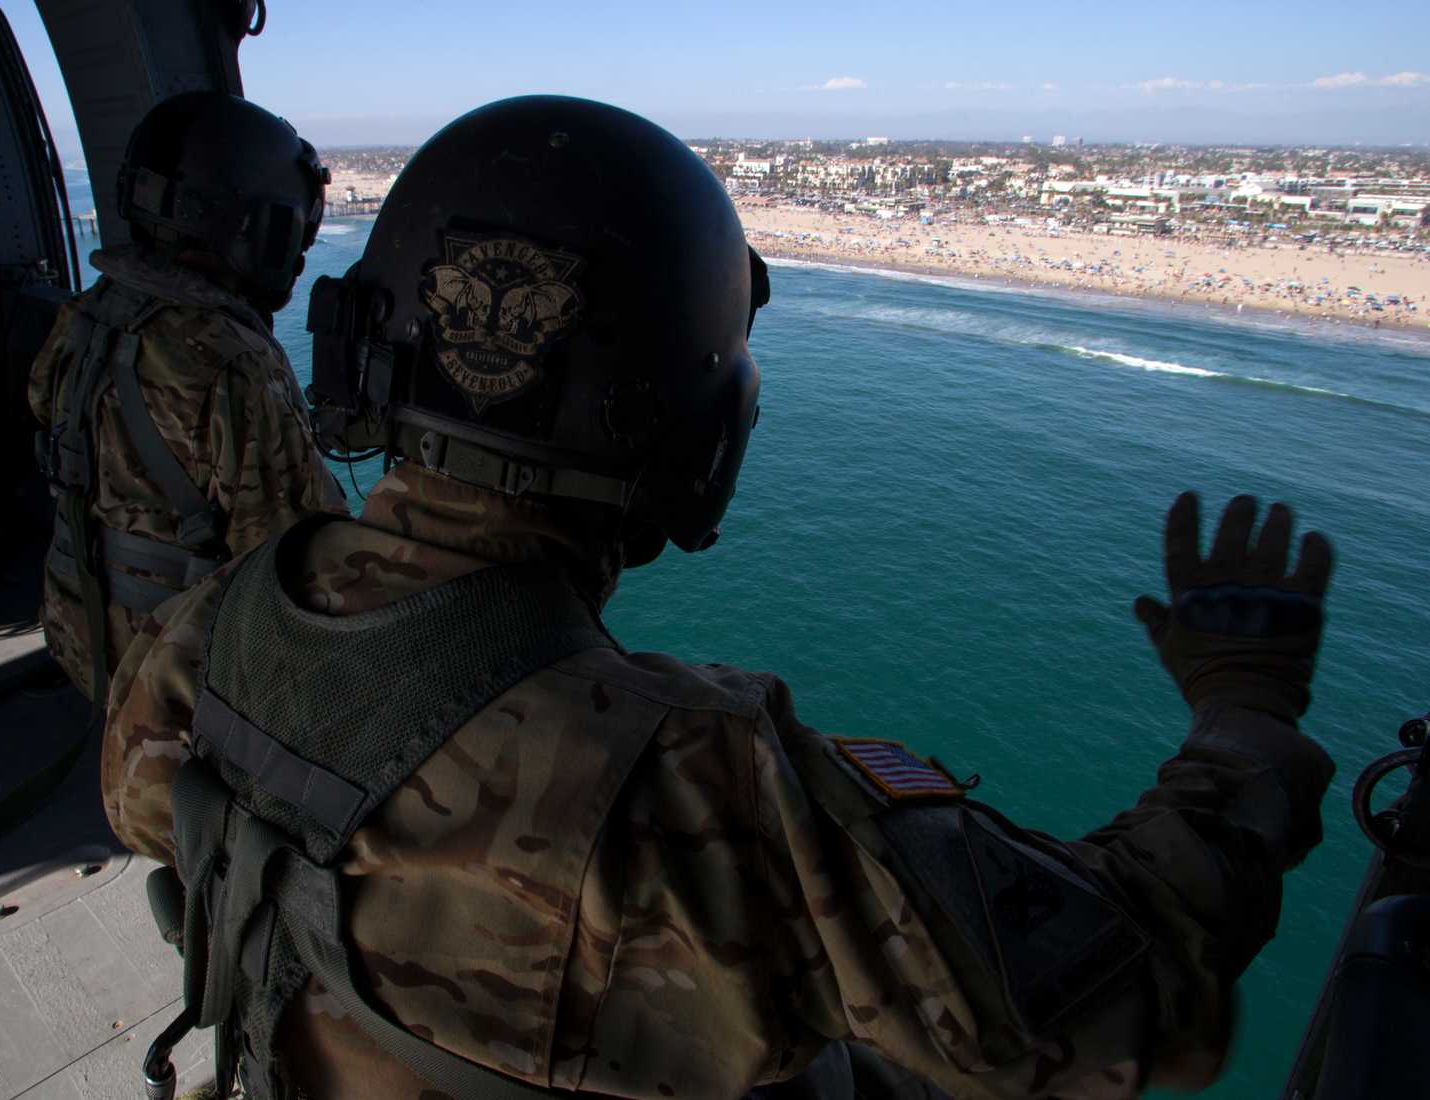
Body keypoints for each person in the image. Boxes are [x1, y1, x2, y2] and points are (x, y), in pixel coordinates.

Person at [102, 96, 1336, 1100]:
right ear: (700, 441)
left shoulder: (197, 638)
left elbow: (152, 810)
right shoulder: (704, 783)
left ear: (361, 362)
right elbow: (1119, 996)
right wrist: (1244, 724)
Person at [30, 91, 345, 703]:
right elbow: (297, 545)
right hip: (171, 670)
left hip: (80, 629)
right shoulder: (229, 357)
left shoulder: (86, 316)